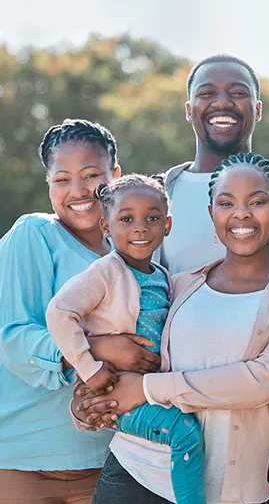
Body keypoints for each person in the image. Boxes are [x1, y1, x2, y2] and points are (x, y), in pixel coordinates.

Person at [74, 153, 269, 504]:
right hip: (135, 473)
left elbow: (263, 380)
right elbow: (130, 348)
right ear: (212, 214)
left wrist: (147, 388)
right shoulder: (178, 285)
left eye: (257, 202)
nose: (241, 213)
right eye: (226, 203)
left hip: (231, 490)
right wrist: (88, 398)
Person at [0, 119, 162, 504]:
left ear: (115, 176)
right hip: (26, 459)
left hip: (111, 457)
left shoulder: (133, 252)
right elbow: (13, 336)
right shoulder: (34, 234)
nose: (78, 191)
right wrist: (102, 348)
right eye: (62, 180)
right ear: (48, 184)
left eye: (91, 175)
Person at [46, 174, 206, 504]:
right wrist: (89, 369)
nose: (140, 227)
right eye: (126, 219)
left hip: (146, 390)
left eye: (152, 218)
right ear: (105, 226)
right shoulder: (105, 271)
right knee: (185, 433)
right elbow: (59, 313)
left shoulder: (161, 276)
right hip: (109, 390)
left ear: (168, 224)